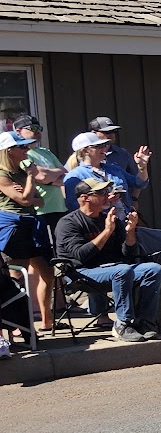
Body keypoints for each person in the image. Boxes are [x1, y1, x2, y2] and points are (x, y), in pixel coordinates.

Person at [54, 176, 161, 342]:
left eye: (107, 191)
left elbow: (129, 254)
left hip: (114, 268)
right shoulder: (69, 223)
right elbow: (80, 256)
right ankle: (123, 324)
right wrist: (106, 231)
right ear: (84, 198)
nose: (108, 195)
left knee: (153, 269)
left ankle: (144, 322)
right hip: (81, 272)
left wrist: (130, 231)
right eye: (101, 192)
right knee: (122, 270)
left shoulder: (109, 219)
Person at [10, 117, 65, 333]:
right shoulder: (23, 155)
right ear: (18, 131)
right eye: (31, 128)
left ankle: (47, 319)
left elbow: (63, 174)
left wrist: (52, 177)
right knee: (29, 267)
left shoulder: (47, 153)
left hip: (57, 211)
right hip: (39, 213)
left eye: (39, 127)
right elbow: (40, 176)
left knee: (49, 269)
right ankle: (19, 323)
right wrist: (52, 177)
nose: (37, 132)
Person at [0, 132, 55, 337]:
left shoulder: (22, 171)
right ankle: (17, 327)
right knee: (17, 279)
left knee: (48, 272)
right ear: (9, 151)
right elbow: (24, 200)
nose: (26, 150)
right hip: (14, 227)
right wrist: (31, 180)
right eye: (22, 147)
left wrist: (27, 192)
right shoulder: (2, 174)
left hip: (33, 223)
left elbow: (39, 201)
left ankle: (46, 320)